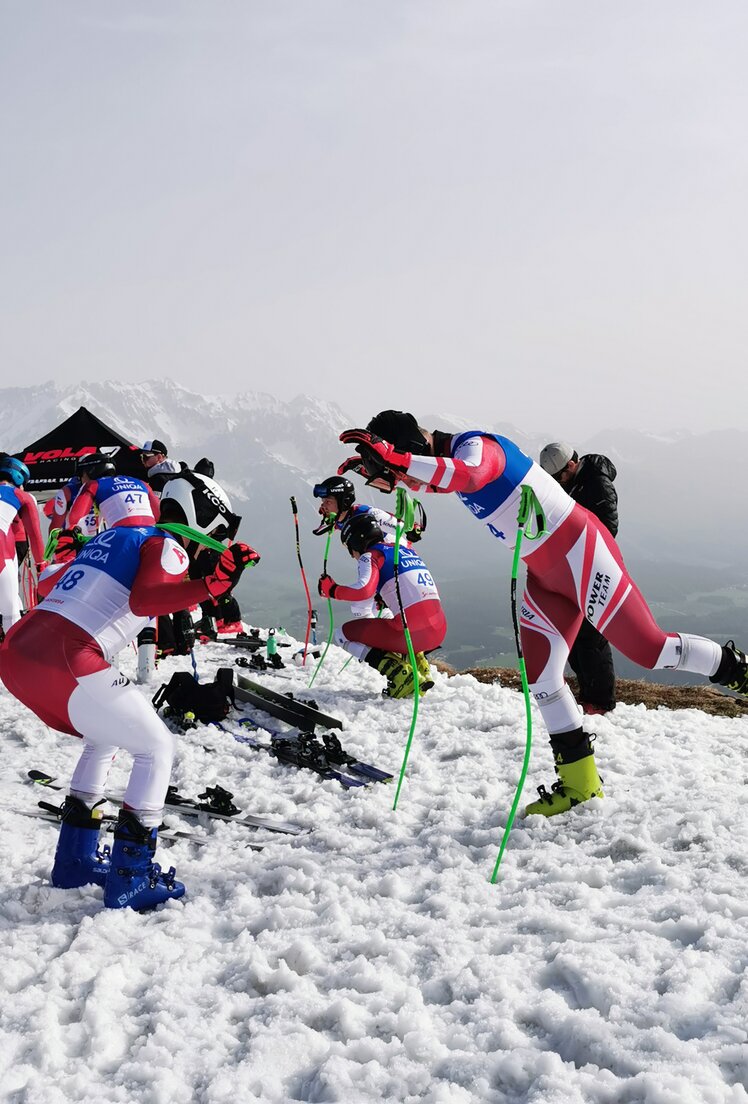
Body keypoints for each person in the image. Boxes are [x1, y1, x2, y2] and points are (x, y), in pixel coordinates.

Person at [338, 410, 748, 816]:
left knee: (651, 650)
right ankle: (580, 783)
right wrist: (391, 468)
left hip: (583, 554)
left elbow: (472, 475)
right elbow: (447, 483)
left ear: (412, 447)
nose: (410, 485)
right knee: (542, 679)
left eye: (405, 474)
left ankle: (740, 672)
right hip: (545, 575)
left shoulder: (477, 446)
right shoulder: (445, 464)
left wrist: (400, 462)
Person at [0, 471, 259, 909]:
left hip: (18, 653)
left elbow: (48, 584)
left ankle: (75, 861)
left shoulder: (118, 537)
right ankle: (131, 877)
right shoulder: (168, 543)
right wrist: (212, 585)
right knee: (157, 747)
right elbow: (144, 602)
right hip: (66, 656)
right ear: (206, 522)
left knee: (105, 737)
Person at [318, 511, 446, 697]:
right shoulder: (404, 549)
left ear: (356, 542)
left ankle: (402, 675)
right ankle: (421, 668)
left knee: (342, 635)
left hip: (412, 634)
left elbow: (363, 591)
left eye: (349, 547)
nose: (351, 555)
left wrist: (332, 590)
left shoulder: (370, 555)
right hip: (439, 629)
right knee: (390, 619)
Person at [539, 441, 618, 715]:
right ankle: (588, 693)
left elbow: (607, 529)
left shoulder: (597, 483)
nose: (557, 483)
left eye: (559, 476)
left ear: (571, 466)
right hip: (574, 567)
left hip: (595, 568)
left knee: (591, 635)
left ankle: (600, 700)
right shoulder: (576, 483)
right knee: (573, 632)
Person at [0, 455, 46, 634]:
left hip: (7, 544)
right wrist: (42, 567)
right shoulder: (21, 495)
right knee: (10, 614)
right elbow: (35, 537)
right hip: (3, 551)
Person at [67, 452, 161, 531]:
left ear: (90, 472)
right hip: (151, 532)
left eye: (81, 474)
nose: (80, 479)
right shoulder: (141, 483)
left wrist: (70, 532)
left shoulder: (93, 485)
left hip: (123, 535)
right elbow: (159, 514)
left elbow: (75, 519)